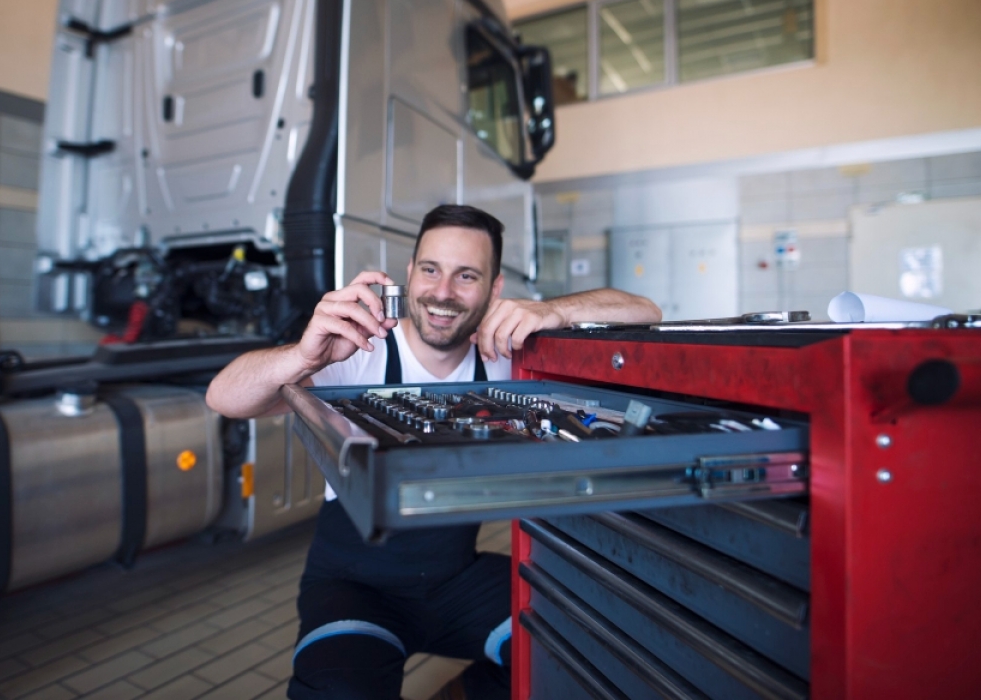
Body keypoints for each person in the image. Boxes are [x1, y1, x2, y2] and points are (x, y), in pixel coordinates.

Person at [206, 205, 661, 699]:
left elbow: (646, 312)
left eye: (466, 275)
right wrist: (301, 356)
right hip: (354, 586)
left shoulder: (506, 356)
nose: (442, 292)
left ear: (494, 290)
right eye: (430, 269)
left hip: (456, 579)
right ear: (410, 274)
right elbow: (224, 397)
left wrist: (554, 310)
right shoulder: (358, 350)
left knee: (576, 655)